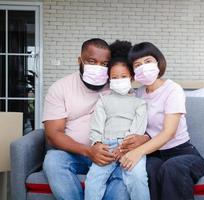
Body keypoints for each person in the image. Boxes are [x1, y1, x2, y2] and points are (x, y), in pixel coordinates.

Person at [42, 38, 149, 200]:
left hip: (114, 155)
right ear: (80, 60)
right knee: (52, 160)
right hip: (77, 154)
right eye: (92, 62)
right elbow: (53, 134)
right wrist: (88, 151)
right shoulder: (61, 87)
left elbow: (145, 119)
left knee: (123, 186)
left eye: (104, 64)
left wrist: (143, 138)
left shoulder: (118, 81)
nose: (98, 68)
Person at [119, 42, 204, 200]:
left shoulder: (172, 89)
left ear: (158, 62)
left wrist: (137, 151)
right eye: (137, 64)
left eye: (147, 61)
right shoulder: (138, 94)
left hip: (182, 152)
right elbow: (140, 127)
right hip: (154, 154)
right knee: (148, 170)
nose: (143, 67)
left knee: (171, 168)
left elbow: (169, 132)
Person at [84, 40, 150, 200]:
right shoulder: (103, 100)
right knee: (93, 181)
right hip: (106, 146)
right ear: (108, 79)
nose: (119, 79)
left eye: (123, 76)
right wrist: (97, 143)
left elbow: (138, 128)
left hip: (130, 148)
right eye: (114, 77)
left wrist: (123, 147)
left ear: (132, 77)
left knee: (138, 178)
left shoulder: (140, 102)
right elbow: (97, 125)